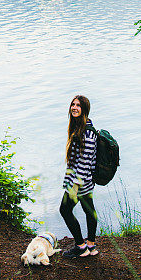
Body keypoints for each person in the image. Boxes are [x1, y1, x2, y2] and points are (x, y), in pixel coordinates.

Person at [60, 95, 100, 258]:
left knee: (64, 210)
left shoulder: (87, 134)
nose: (74, 108)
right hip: (83, 181)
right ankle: (91, 245)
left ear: (84, 109)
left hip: (80, 182)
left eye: (78, 105)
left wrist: (74, 187)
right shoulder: (79, 128)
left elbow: (84, 163)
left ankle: (81, 246)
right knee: (89, 210)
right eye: (72, 104)